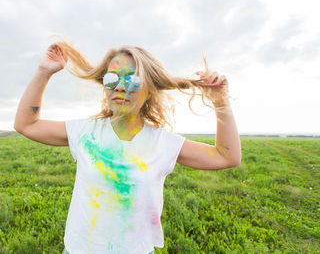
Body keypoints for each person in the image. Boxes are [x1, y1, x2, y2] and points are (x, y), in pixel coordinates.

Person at [14, 38, 241, 254]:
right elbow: (26, 124)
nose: (120, 87)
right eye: (112, 79)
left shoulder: (162, 143)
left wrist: (221, 102)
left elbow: (226, 157)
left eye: (132, 80)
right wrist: (44, 72)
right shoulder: (86, 132)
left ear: (150, 89)